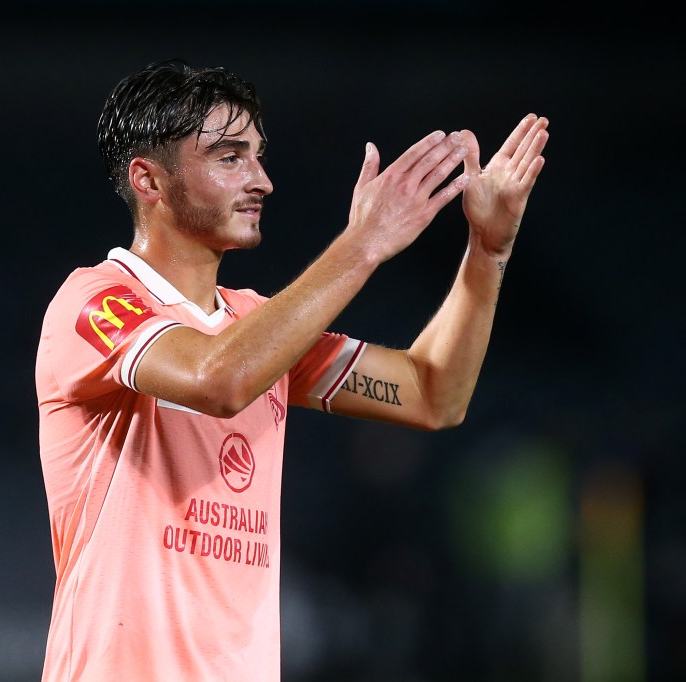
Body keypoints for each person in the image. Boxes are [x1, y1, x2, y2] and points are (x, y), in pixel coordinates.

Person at [35, 58, 549, 681]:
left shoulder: (258, 328)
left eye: (258, 156)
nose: (262, 181)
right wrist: (363, 243)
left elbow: (431, 394)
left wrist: (487, 251)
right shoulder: (93, 302)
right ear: (149, 179)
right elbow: (219, 380)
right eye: (229, 157)